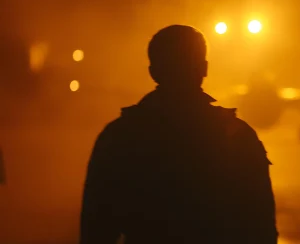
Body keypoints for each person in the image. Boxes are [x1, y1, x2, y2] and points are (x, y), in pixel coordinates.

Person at [80, 25, 278, 244]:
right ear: (204, 68)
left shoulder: (118, 137)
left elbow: (95, 227)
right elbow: (261, 226)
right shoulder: (237, 137)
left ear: (153, 71)